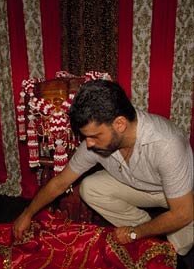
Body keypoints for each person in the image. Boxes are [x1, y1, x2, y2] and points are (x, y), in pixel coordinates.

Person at [13, 80, 193, 256]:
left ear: (120, 124)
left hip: (182, 195)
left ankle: (148, 231)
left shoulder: (167, 144)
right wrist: (27, 213)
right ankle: (146, 226)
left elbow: (183, 213)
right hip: (141, 186)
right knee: (90, 188)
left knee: (176, 249)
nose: (88, 144)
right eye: (86, 137)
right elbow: (60, 182)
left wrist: (134, 233)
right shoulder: (96, 140)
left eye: (94, 137)